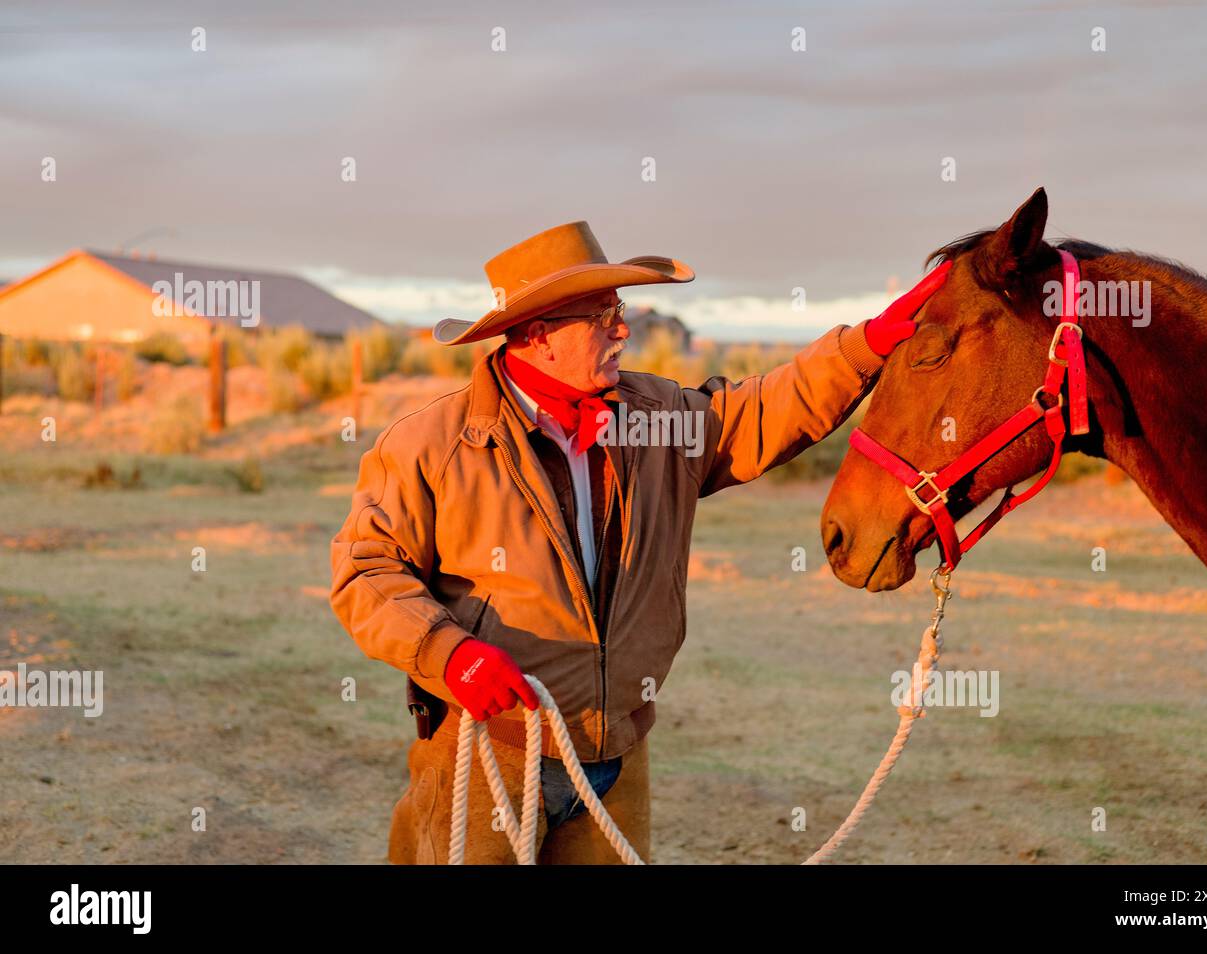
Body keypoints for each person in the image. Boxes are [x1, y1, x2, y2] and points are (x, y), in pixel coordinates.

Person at [329, 220, 951, 863]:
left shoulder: (658, 419)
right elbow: (365, 574)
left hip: (618, 756)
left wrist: (866, 346)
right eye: (602, 315)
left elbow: (764, 411)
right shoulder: (430, 445)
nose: (622, 329)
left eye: (619, 310)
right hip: (486, 752)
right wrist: (452, 656)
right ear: (539, 336)